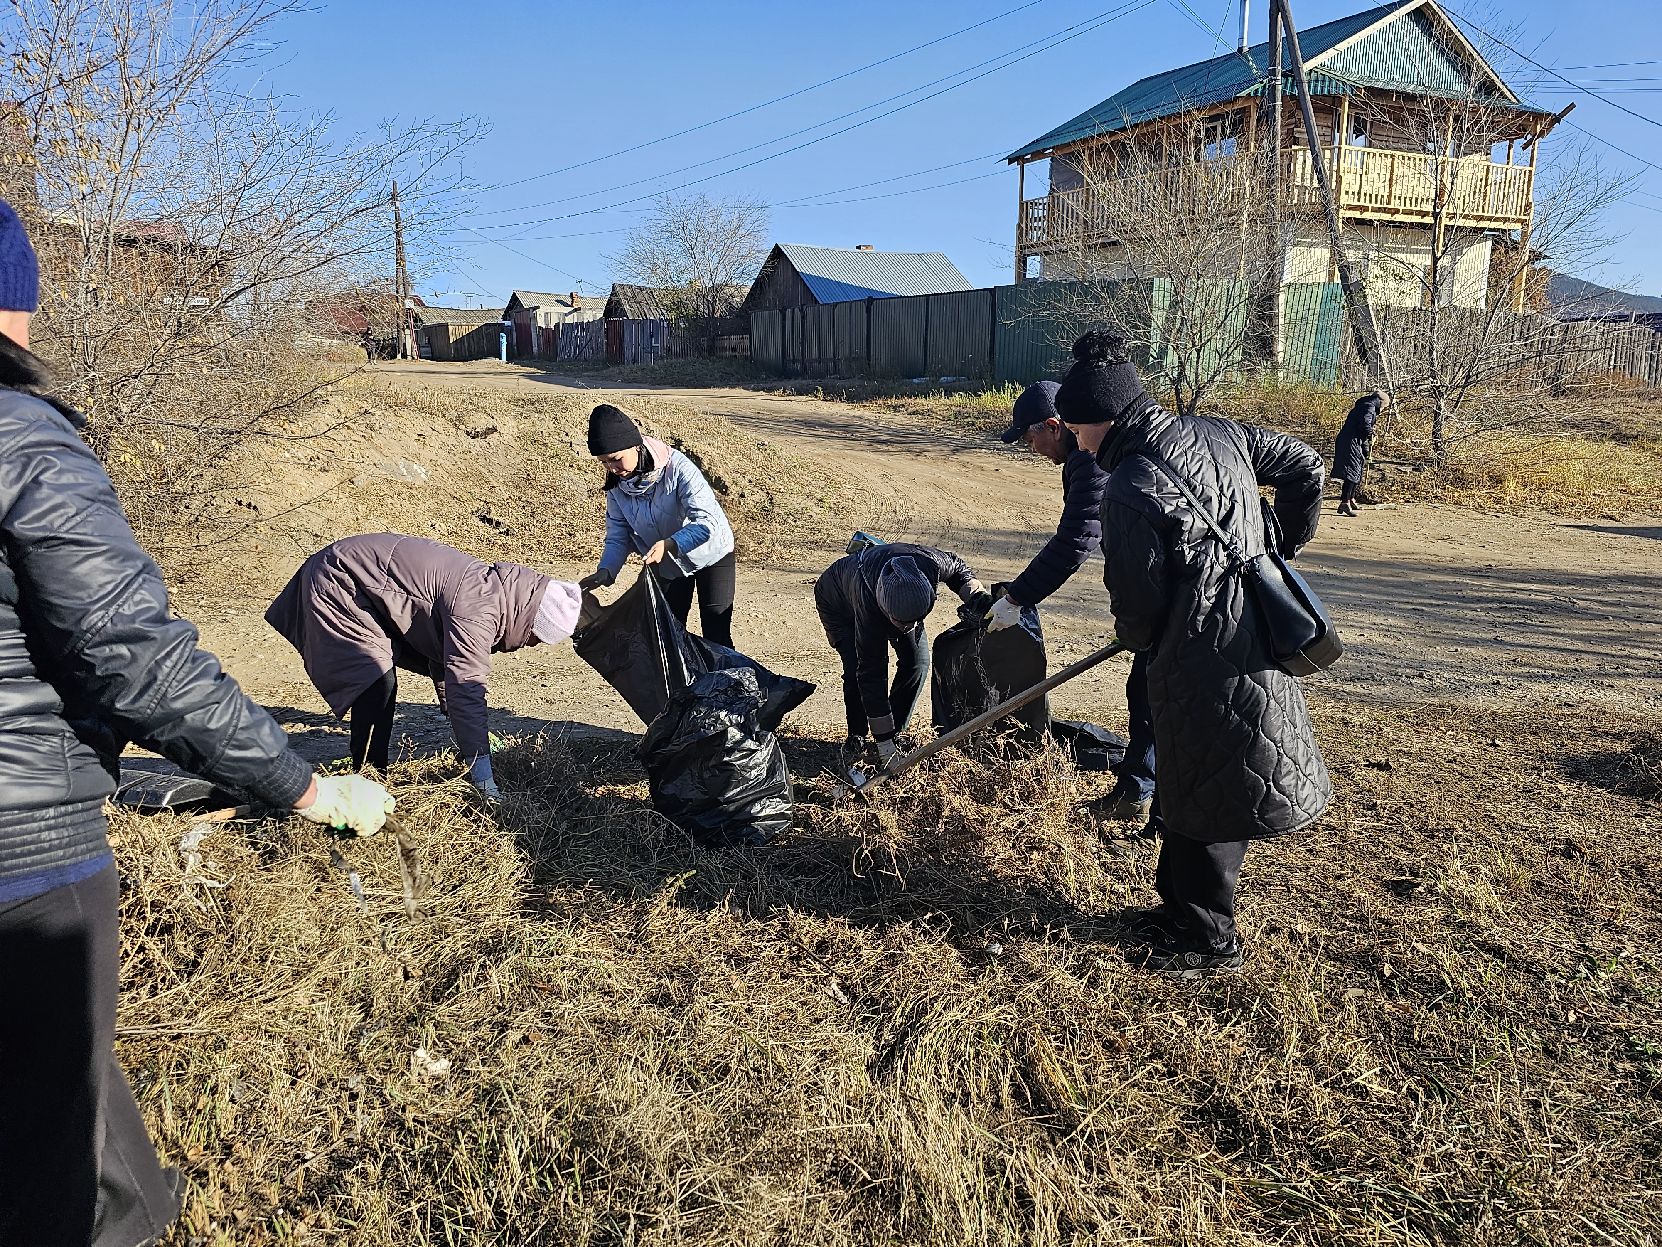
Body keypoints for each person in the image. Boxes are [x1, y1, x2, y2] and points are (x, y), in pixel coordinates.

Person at [0, 199, 392, 1247]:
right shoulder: (19, 436)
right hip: (23, 861)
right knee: (43, 1178)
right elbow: (136, 656)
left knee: (89, 1135)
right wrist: (304, 784)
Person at [1055, 330, 1330, 975]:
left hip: (1196, 643)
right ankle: (1178, 906)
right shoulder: (1220, 432)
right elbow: (1306, 470)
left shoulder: (1128, 483)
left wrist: (1140, 640)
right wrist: (1277, 546)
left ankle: (1207, 937)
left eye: (1079, 425)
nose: (1074, 437)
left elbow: (1136, 593)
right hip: (1254, 622)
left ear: (1107, 419)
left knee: (1208, 776)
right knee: (1209, 767)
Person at [266, 534, 584, 801]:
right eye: (536, 638)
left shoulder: (494, 592)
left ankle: (370, 776)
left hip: (362, 580)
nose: (531, 645)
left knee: (382, 676)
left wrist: (466, 728)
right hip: (340, 580)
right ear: (530, 621)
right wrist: (484, 778)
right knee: (375, 681)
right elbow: (466, 686)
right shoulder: (479, 611)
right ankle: (368, 780)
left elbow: (443, 653)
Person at [992, 380, 1156, 824]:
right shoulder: (1084, 457)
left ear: (1054, 425)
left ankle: (1148, 799)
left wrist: (1017, 598)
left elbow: (1075, 540)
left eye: (1030, 438)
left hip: (1176, 597)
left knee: (1155, 697)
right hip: (1153, 595)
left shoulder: (1091, 458)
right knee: (1148, 694)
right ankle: (1141, 791)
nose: (1031, 449)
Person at [815, 542, 991, 769]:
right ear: (886, 610)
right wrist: (883, 742)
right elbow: (872, 674)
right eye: (901, 623)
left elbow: (958, 569)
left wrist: (978, 598)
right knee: (856, 668)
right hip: (838, 602)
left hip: (898, 599)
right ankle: (857, 737)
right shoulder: (869, 605)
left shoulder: (930, 564)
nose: (906, 628)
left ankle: (896, 730)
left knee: (918, 661)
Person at [578, 403, 737, 647]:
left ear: (634, 445)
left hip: (712, 554)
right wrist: (606, 570)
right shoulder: (616, 487)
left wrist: (671, 544)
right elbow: (618, 536)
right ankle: (682, 686)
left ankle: (731, 684)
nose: (612, 469)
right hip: (669, 562)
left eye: (616, 459)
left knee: (716, 634)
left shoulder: (679, 469)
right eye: (604, 463)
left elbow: (707, 523)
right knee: (668, 637)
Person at [1333, 390, 1384, 517]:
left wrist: (1366, 451)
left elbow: (1362, 431)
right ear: (1381, 403)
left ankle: (1350, 499)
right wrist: (1372, 433)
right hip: (1350, 442)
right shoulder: (1369, 407)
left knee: (1356, 471)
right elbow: (1365, 426)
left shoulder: (1365, 405)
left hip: (1352, 441)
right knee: (1352, 472)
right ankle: (1345, 502)